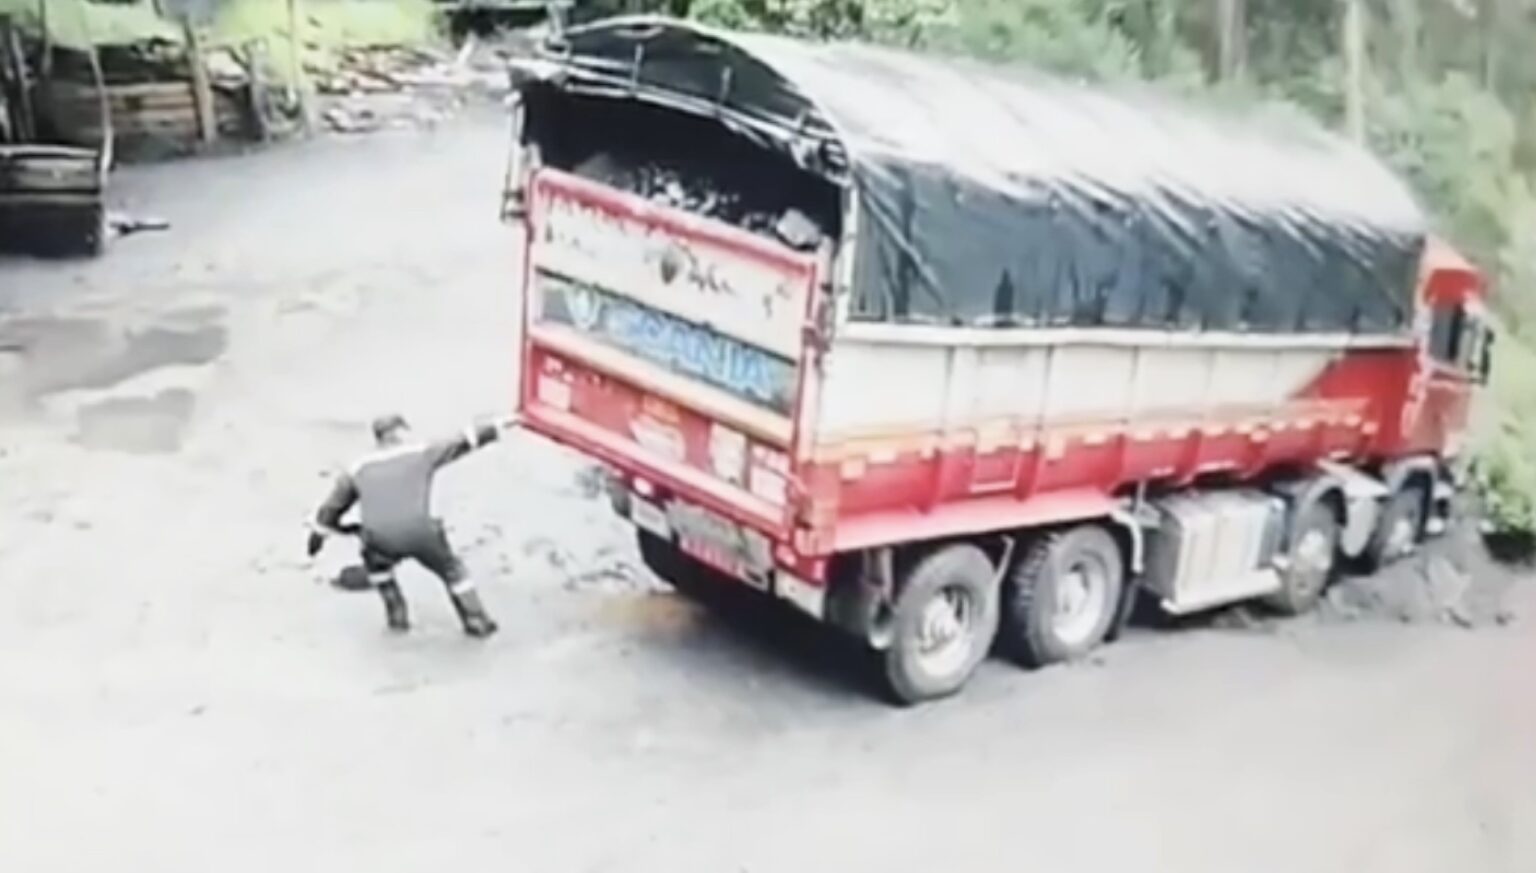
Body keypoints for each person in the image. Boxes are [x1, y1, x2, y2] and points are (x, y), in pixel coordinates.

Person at [306, 413, 514, 638]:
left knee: (379, 569)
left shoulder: (358, 467)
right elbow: (464, 440)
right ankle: (476, 621)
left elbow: (331, 509)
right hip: (420, 532)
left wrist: (318, 536)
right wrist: (503, 424)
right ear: (399, 432)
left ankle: (397, 619)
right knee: (453, 571)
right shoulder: (419, 452)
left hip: (379, 537)